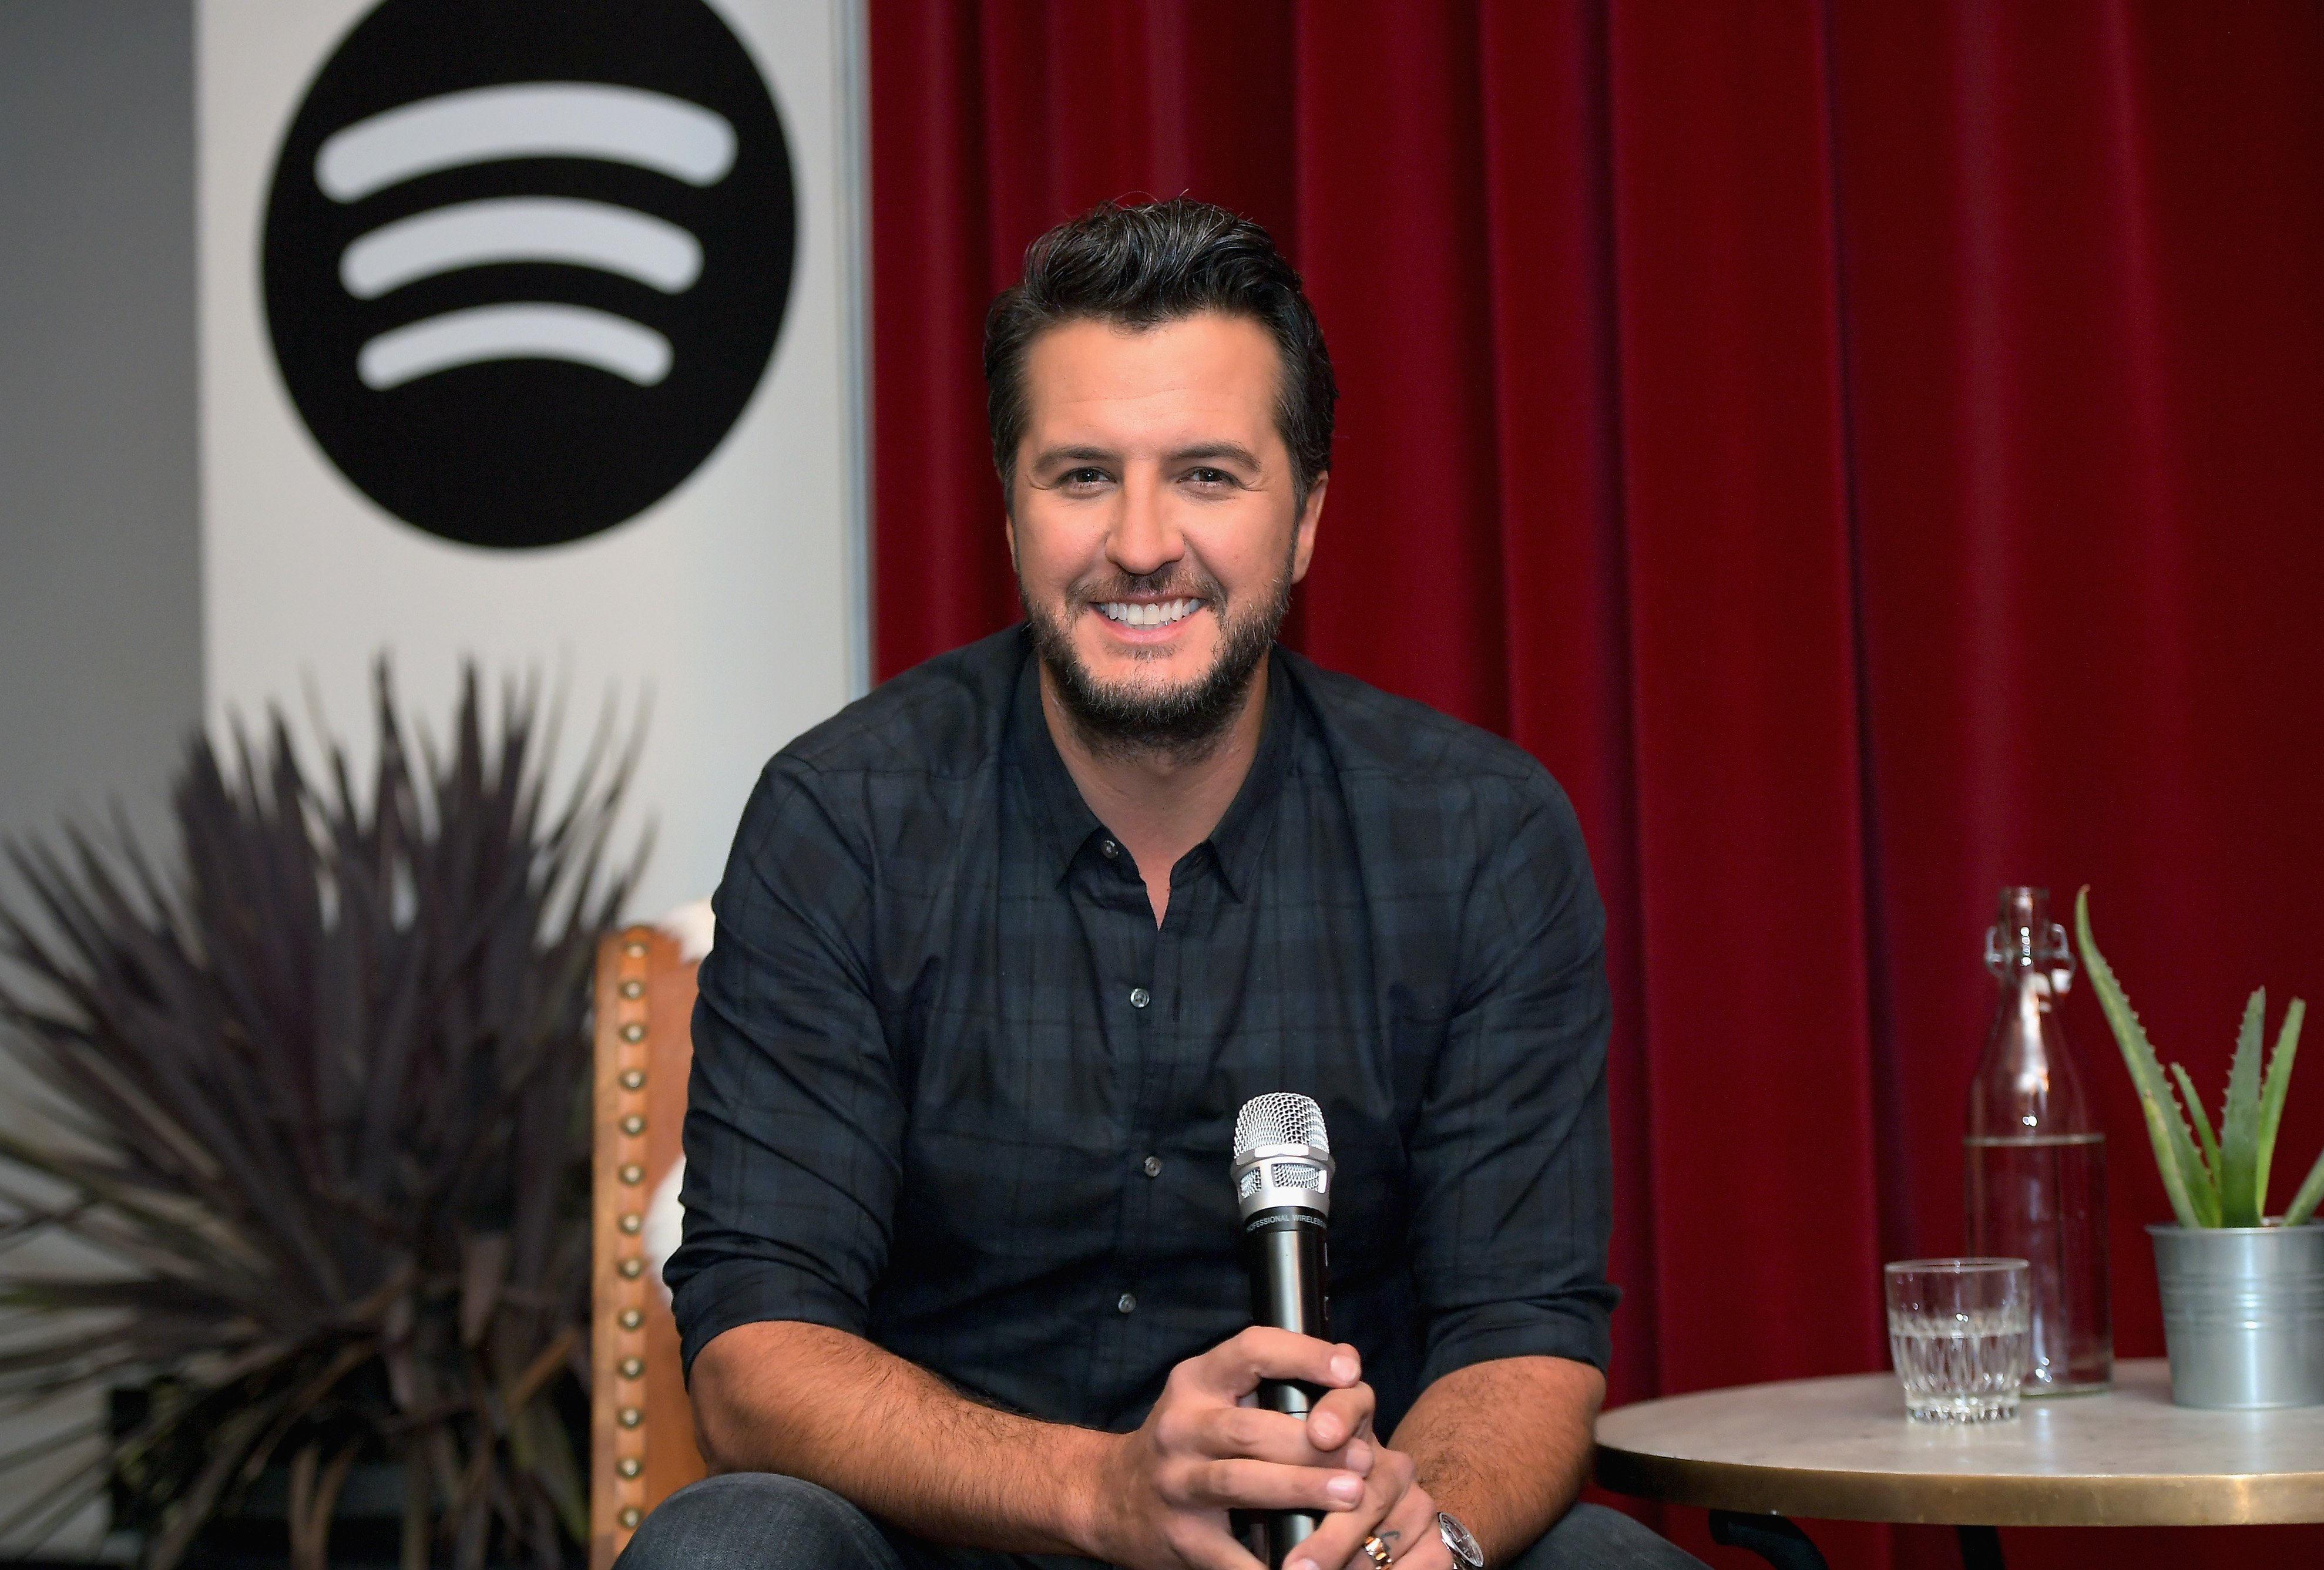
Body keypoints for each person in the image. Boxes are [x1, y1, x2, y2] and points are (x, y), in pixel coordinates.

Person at [630, 198, 1701, 1570]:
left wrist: (1411, 1543)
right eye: (1082, 475)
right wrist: (1100, 1490)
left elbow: (1525, 1330)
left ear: (1305, 515)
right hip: (948, 1547)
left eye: (1206, 473)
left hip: (1335, 1556)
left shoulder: (1478, 836)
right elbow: (753, 1351)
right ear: (1009, 509)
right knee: (730, 1548)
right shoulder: (842, 820)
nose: (1141, 543)